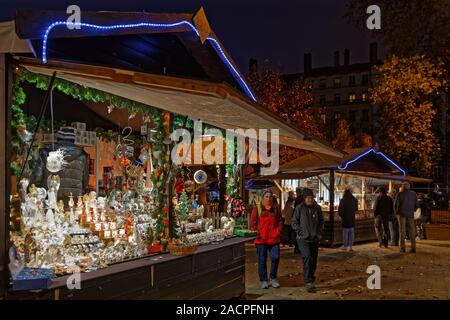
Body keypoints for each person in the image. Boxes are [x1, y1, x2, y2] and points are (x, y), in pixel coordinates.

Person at [31, 127, 89, 201]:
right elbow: (85, 181)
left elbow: (37, 177)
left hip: (50, 199)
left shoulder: (46, 153)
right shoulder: (82, 156)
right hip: (74, 199)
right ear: (73, 140)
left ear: (58, 138)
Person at [291, 188, 324, 293]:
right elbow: (294, 223)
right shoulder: (299, 208)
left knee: (313, 260)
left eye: (311, 198)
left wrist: (319, 232)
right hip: (302, 239)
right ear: (304, 198)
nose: (310, 200)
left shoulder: (317, 208)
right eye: (308, 198)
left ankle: (311, 277)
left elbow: (322, 221)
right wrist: (300, 232)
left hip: (314, 239)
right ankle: (308, 281)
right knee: (307, 257)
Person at [250, 190, 283, 289]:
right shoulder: (258, 209)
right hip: (261, 240)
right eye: (266, 196)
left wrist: (278, 231)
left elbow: (280, 221)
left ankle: (273, 278)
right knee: (262, 260)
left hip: (274, 239)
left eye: (270, 196)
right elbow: (253, 223)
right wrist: (258, 232)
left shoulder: (276, 208)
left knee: (275, 257)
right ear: (263, 198)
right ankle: (264, 280)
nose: (268, 198)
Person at [395, 183, 418, 253]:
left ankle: (402, 248)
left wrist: (397, 212)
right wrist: (412, 210)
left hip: (401, 214)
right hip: (410, 214)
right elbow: (416, 205)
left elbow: (396, 205)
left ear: (403, 187)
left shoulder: (400, 194)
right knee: (412, 231)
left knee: (402, 231)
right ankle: (413, 248)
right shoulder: (414, 194)